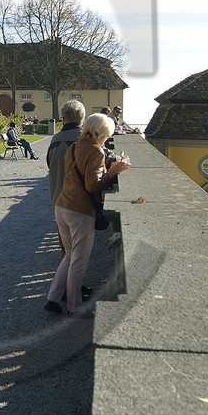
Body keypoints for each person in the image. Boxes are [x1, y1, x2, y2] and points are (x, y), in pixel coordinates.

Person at [47, 113, 129, 317]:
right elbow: (92, 185)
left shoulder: (75, 146)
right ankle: (74, 307)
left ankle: (53, 298)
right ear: (103, 132)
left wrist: (108, 170)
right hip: (79, 211)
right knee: (79, 260)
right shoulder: (95, 151)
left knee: (68, 257)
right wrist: (114, 171)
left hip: (62, 206)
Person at [45, 100, 86, 211]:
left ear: (63, 119)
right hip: (79, 200)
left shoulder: (56, 139)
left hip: (57, 198)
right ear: (82, 119)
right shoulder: (85, 138)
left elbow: (49, 163)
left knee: (61, 227)